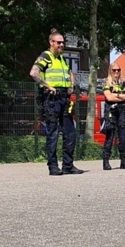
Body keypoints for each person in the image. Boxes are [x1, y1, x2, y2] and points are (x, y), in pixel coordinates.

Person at [29, 29, 83, 176]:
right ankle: (53, 167)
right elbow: (34, 73)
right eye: (58, 42)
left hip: (64, 99)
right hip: (51, 99)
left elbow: (70, 73)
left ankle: (68, 165)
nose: (61, 44)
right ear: (51, 42)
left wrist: (71, 86)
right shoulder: (46, 56)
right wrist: (48, 86)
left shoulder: (62, 59)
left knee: (70, 133)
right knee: (52, 134)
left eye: (62, 42)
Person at [101, 64, 125, 171]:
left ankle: (123, 161)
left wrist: (117, 96)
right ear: (110, 70)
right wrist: (122, 97)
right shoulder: (106, 82)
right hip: (111, 111)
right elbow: (109, 97)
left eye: (118, 70)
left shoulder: (123, 82)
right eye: (114, 70)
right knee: (110, 136)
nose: (116, 72)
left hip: (122, 111)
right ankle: (106, 162)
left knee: (123, 136)